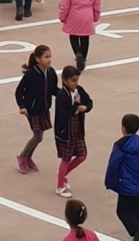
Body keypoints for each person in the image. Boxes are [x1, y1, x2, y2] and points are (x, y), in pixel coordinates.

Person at [104, 114, 139, 241]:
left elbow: (113, 165)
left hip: (126, 186)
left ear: (123, 128)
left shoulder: (120, 145)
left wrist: (110, 182)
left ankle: (137, 230)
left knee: (122, 211)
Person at [14, 45, 57, 174]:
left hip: (44, 108)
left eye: (50, 56)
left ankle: (28, 158)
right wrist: (22, 106)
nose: (49, 60)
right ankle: (22, 157)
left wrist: (66, 95)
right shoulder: (31, 74)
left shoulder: (51, 72)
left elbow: (53, 89)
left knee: (39, 136)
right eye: (46, 57)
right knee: (38, 136)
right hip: (32, 109)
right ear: (38, 59)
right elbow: (19, 91)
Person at [54, 66, 92, 198]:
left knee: (82, 155)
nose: (75, 83)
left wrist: (85, 107)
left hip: (77, 129)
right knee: (66, 158)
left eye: (77, 80)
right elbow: (64, 115)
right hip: (66, 131)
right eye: (73, 80)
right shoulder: (61, 96)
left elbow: (89, 102)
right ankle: (59, 186)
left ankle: (63, 174)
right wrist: (76, 105)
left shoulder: (79, 90)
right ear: (64, 80)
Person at [59, 0, 101, 72]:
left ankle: (77, 53)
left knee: (73, 36)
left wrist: (62, 16)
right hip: (87, 16)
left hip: (73, 16)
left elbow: (65, 4)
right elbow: (97, 4)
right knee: (85, 37)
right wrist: (96, 16)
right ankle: (83, 56)